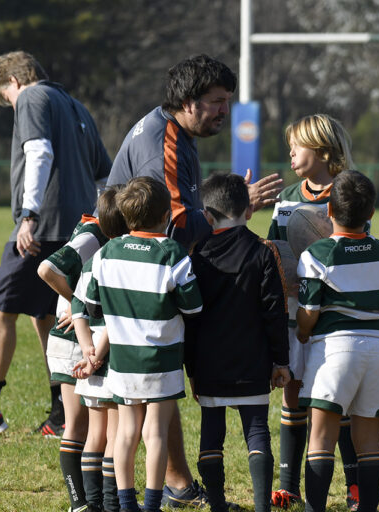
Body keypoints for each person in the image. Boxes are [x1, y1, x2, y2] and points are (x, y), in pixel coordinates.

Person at [104, 54, 282, 508]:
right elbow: (176, 225)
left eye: (228, 101)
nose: (225, 111)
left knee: (147, 391)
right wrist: (235, 214)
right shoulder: (163, 141)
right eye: (217, 102)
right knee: (149, 388)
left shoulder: (176, 132)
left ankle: (172, 485)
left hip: (136, 268)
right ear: (187, 101)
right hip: (137, 271)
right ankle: (152, 488)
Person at [0, 50, 112, 438]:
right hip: (77, 229)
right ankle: (60, 414)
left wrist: (29, 214)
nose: (11, 107)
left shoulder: (33, 97)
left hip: (43, 225)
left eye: (6, 99)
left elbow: (37, 151)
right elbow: (104, 174)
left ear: (14, 83)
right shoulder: (77, 106)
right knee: (47, 316)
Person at [85, 176, 203, 512]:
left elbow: (93, 305)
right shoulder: (171, 252)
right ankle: (151, 504)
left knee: (125, 432)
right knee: (155, 434)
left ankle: (126, 504)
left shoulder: (106, 252)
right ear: (166, 215)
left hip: (122, 360)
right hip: (161, 360)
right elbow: (193, 307)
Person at [267, 114, 361, 510]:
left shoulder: (348, 194)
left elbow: (358, 251)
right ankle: (289, 485)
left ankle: (355, 484)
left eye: (298, 145)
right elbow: (273, 247)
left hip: (334, 315)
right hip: (292, 311)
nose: (290, 151)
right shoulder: (287, 195)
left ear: (322, 150)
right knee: (293, 394)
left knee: (334, 400)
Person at [184, 172, 291, 512]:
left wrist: (191, 368)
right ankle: (262, 507)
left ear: (208, 216)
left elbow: (190, 317)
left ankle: (216, 505)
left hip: (209, 364)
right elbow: (275, 311)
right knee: (257, 432)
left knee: (211, 434)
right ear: (248, 211)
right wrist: (281, 361)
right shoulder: (263, 251)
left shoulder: (197, 255)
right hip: (253, 360)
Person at [296, 170, 379, 512]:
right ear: (371, 213)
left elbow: (308, 313)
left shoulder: (317, 254)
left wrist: (301, 331)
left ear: (329, 210)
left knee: (321, 436)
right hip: (376, 350)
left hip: (334, 350)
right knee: (370, 438)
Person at [38, 187, 128, 512]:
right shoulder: (93, 235)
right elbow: (46, 269)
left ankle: (91, 503)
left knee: (89, 428)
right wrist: (76, 305)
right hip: (75, 340)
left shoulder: (103, 235)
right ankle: (81, 503)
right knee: (78, 426)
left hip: (82, 337)